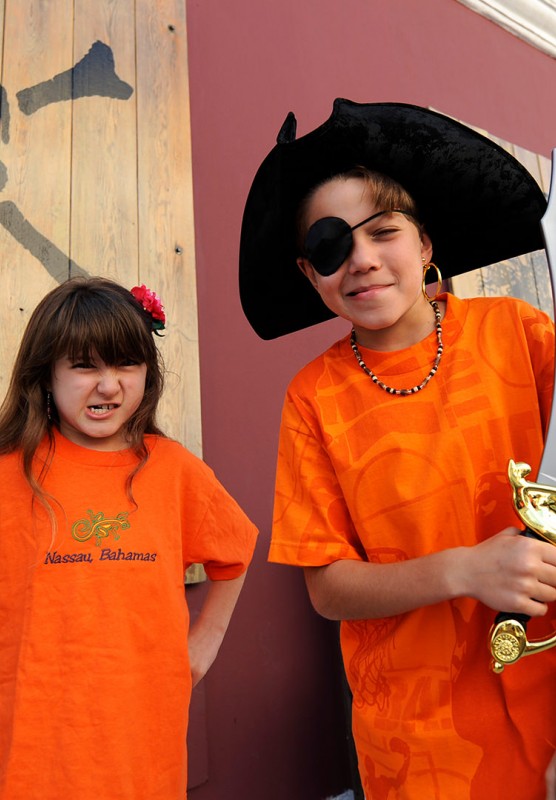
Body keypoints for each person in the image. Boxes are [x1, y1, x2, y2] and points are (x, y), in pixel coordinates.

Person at [239, 100, 556, 799]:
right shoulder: (313, 397)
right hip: (423, 741)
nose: (362, 261)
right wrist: (465, 570)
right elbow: (326, 587)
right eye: (330, 248)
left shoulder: (517, 333)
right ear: (307, 275)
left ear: (425, 244)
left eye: (384, 231)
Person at [0, 277, 258, 800]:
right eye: (84, 365)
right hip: (28, 745)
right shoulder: (10, 474)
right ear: (45, 373)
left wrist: (202, 646)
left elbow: (237, 550)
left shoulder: (172, 469)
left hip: (141, 745)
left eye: (126, 364)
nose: (109, 386)